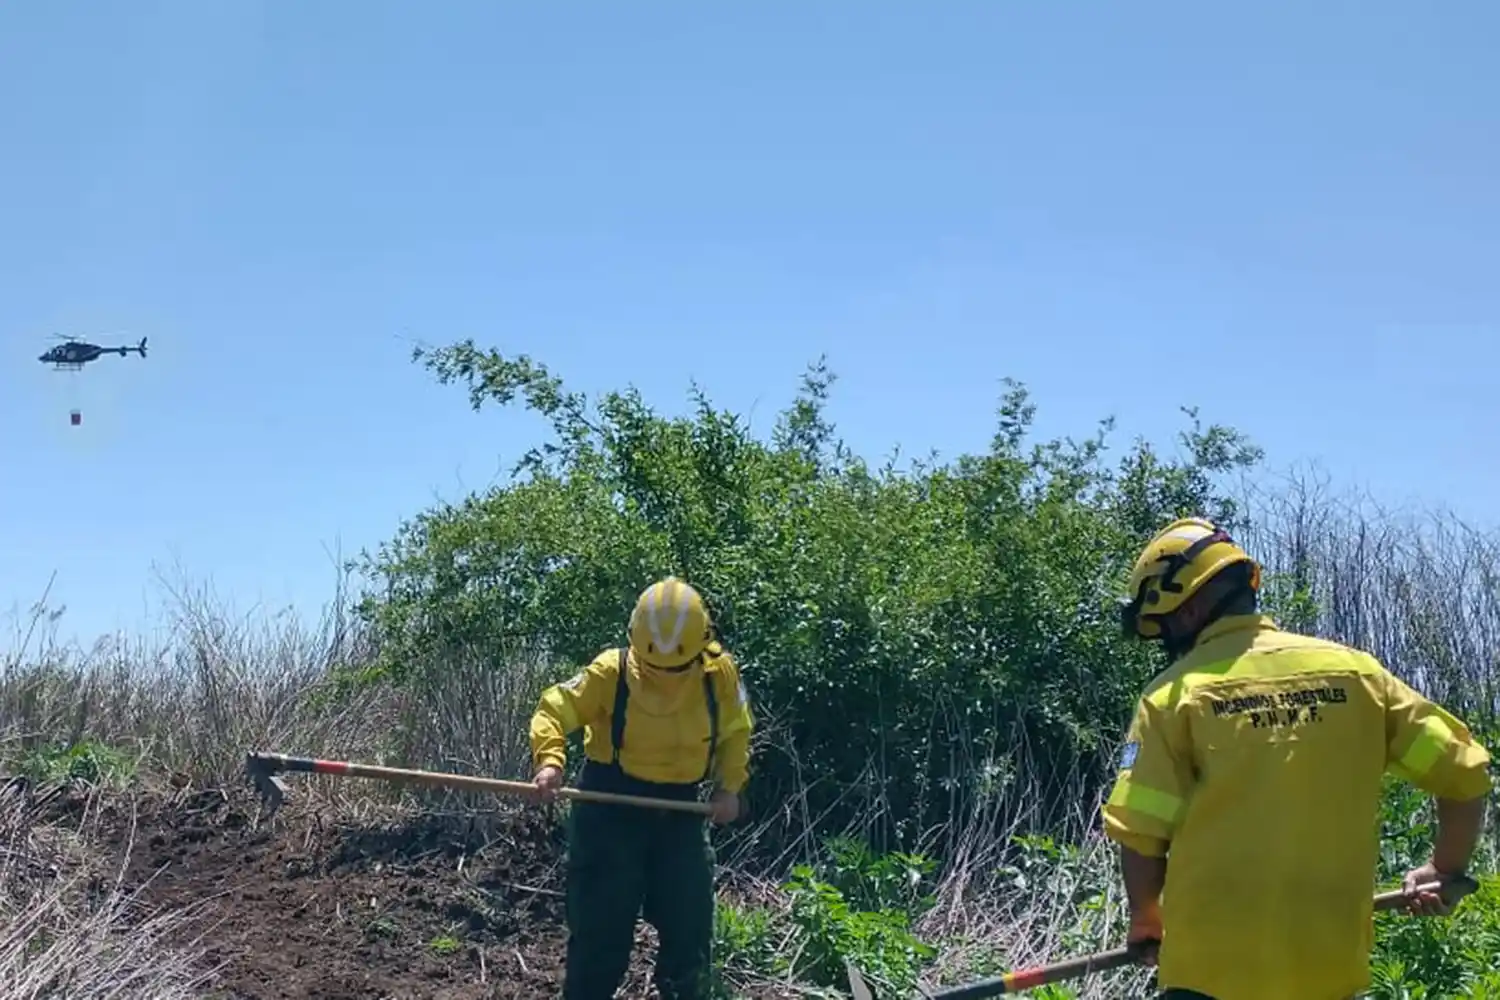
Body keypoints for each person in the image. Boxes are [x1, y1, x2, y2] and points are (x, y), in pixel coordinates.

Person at [1104, 517, 1492, 1000]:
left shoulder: (1173, 698)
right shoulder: (1357, 676)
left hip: (1208, 976)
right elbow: (1464, 770)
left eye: (1163, 626)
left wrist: (1146, 918)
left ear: (1188, 609)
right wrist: (1444, 867)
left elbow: (1141, 832)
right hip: (1328, 973)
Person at [529, 576, 754, 1000]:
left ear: (702, 645)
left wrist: (729, 788)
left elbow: (735, 733)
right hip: (608, 810)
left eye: (677, 668)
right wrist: (550, 762)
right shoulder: (609, 672)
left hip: (680, 812)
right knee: (600, 936)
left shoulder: (720, 674)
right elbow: (553, 709)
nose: (665, 676)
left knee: (689, 932)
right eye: (654, 668)